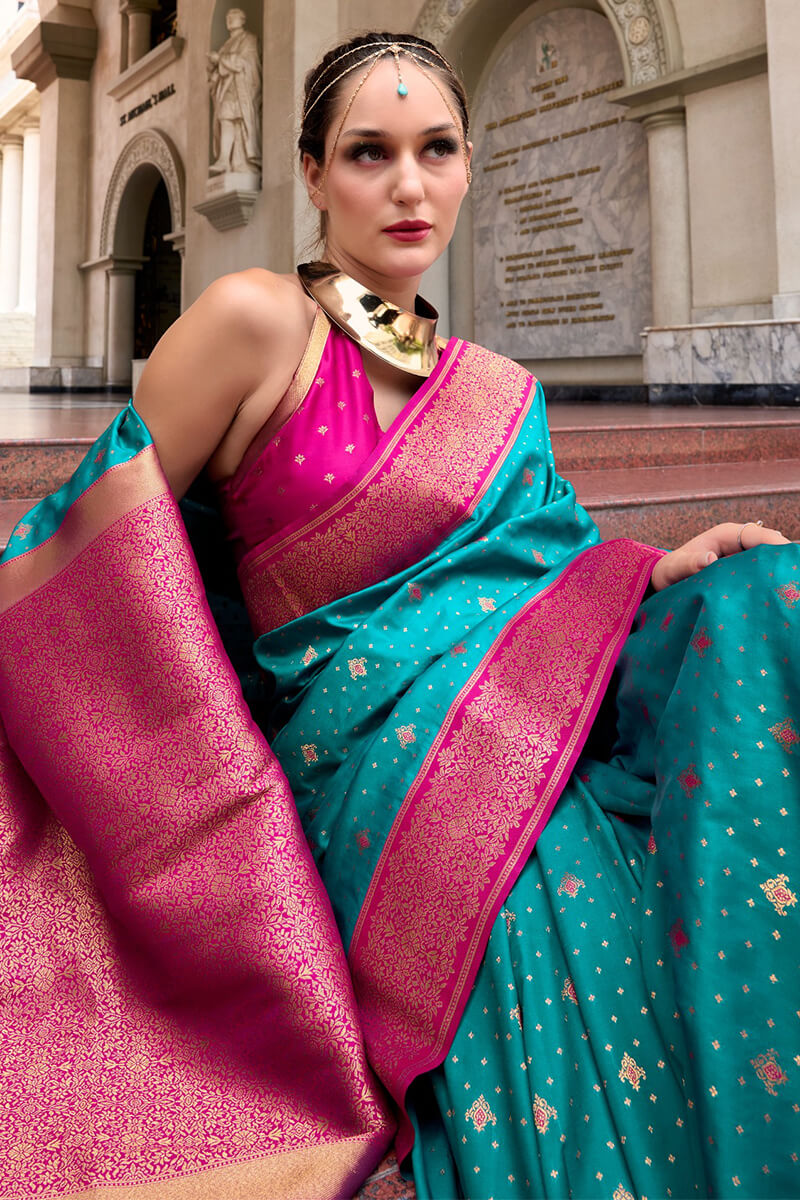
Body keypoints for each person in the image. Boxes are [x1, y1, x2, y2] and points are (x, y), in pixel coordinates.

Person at [0, 30, 797, 1200]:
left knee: (763, 601)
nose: (409, 186)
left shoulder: (499, 392)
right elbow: (94, 547)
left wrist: (653, 568)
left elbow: (550, 572)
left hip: (513, 718)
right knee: (536, 876)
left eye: (436, 150)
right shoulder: (257, 323)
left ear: (468, 165)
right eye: (369, 153)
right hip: (359, 767)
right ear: (313, 174)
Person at [207, 6, 262, 176]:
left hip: (241, 89)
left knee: (239, 122)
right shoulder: (226, 45)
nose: (230, 19)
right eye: (228, 17)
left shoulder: (249, 39)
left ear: (242, 20)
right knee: (225, 118)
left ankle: (241, 162)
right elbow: (220, 70)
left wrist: (220, 59)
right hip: (226, 90)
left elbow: (246, 63)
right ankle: (224, 160)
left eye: (234, 16)